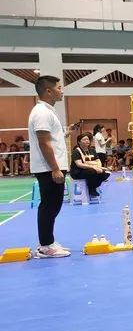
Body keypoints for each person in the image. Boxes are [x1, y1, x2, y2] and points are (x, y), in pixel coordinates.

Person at [29, 75, 75, 258]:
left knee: (53, 204)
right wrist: (55, 168)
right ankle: (45, 246)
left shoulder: (48, 111)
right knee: (49, 205)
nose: (61, 91)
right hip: (48, 168)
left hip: (52, 166)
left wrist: (66, 133)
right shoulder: (42, 112)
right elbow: (44, 143)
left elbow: (52, 140)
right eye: (58, 87)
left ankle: (48, 241)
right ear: (48, 91)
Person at [71, 132, 110, 198]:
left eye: (88, 139)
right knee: (93, 172)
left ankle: (92, 186)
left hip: (92, 169)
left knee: (106, 172)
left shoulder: (92, 150)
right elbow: (79, 164)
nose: (87, 141)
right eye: (84, 139)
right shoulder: (76, 151)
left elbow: (98, 160)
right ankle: (92, 189)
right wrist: (94, 168)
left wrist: (99, 167)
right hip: (78, 171)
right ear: (79, 142)